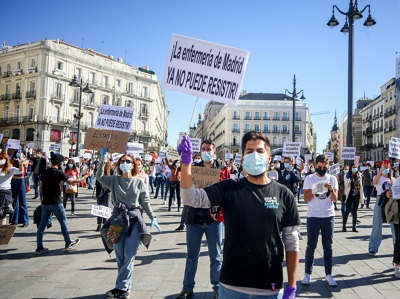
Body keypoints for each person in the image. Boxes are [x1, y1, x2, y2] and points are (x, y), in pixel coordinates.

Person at [178, 132, 300, 299]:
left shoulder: (284, 195)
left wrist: (292, 287)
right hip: (230, 288)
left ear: (269, 158)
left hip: (269, 289)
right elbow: (190, 198)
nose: (254, 155)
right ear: (243, 158)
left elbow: (292, 242)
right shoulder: (228, 188)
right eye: (249, 151)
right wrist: (186, 165)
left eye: (260, 151)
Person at [96, 149, 161, 299]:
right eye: (122, 161)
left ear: (133, 165)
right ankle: (125, 287)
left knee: (129, 256)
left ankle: (122, 287)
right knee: (120, 256)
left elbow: (145, 202)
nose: (125, 164)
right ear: (119, 165)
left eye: (128, 161)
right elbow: (99, 177)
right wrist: (102, 160)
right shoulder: (114, 180)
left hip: (134, 222)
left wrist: (153, 217)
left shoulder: (138, 182)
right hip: (117, 221)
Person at [176, 140, 224, 299]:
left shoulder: (222, 170)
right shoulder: (193, 169)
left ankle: (217, 288)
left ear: (214, 152)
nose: (206, 151)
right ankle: (187, 289)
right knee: (191, 257)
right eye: (203, 149)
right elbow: (184, 186)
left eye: (209, 149)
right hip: (194, 219)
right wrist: (184, 163)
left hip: (214, 219)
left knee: (216, 257)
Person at [36, 152, 92, 254]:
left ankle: (39, 247)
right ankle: (68, 241)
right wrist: (86, 176)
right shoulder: (58, 172)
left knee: (41, 225)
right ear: (59, 163)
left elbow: (41, 187)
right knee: (63, 222)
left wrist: (41, 201)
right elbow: (73, 182)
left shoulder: (45, 172)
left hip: (45, 203)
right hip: (56, 202)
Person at [301, 154, 338, 287]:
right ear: (316, 165)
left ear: (328, 167)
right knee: (311, 245)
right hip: (313, 216)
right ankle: (307, 274)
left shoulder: (332, 178)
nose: (322, 169)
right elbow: (306, 198)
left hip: (328, 216)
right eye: (320, 167)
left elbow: (334, 199)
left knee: (328, 246)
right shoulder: (310, 178)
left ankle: (328, 274)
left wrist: (331, 189)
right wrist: (317, 188)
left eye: (325, 167)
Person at [368, 160, 396, 256]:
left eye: (387, 167)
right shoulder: (379, 179)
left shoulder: (393, 179)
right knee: (377, 224)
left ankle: (396, 248)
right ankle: (373, 248)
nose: (386, 168)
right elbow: (374, 182)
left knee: (394, 225)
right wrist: (380, 170)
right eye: (384, 167)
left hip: (391, 202)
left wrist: (391, 177)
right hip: (380, 201)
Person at [0, 152, 24, 225]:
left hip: (5, 192)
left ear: (6, 160)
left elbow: (20, 171)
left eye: (1, 158)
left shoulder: (10, 169)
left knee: (2, 213)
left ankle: (2, 232)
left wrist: (20, 163)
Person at [385, 173, 400, 279]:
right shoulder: (397, 181)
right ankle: (397, 264)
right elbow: (390, 194)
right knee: (399, 240)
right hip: (398, 213)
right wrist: (389, 194)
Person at [9, 152, 30, 227]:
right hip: (13, 180)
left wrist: (21, 160)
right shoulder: (13, 160)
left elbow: (25, 164)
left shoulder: (25, 160)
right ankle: (14, 220)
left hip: (20, 180)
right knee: (13, 201)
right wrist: (12, 158)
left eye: (20, 153)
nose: (18, 155)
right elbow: (9, 164)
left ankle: (24, 220)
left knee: (22, 200)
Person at [342, 164, 364, 232]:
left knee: (355, 211)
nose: (355, 168)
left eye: (356, 167)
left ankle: (354, 227)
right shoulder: (347, 175)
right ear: (351, 168)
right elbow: (346, 185)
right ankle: (344, 226)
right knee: (347, 210)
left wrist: (362, 197)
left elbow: (361, 185)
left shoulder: (359, 175)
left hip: (356, 194)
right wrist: (348, 179)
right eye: (353, 167)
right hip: (350, 194)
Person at [95, 160, 114, 231]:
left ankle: (105, 223)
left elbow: (113, 180)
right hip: (100, 190)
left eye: (106, 163)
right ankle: (99, 224)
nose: (104, 164)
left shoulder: (112, 170)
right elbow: (97, 178)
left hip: (108, 190)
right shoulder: (100, 170)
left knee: (107, 206)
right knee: (99, 207)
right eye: (103, 163)